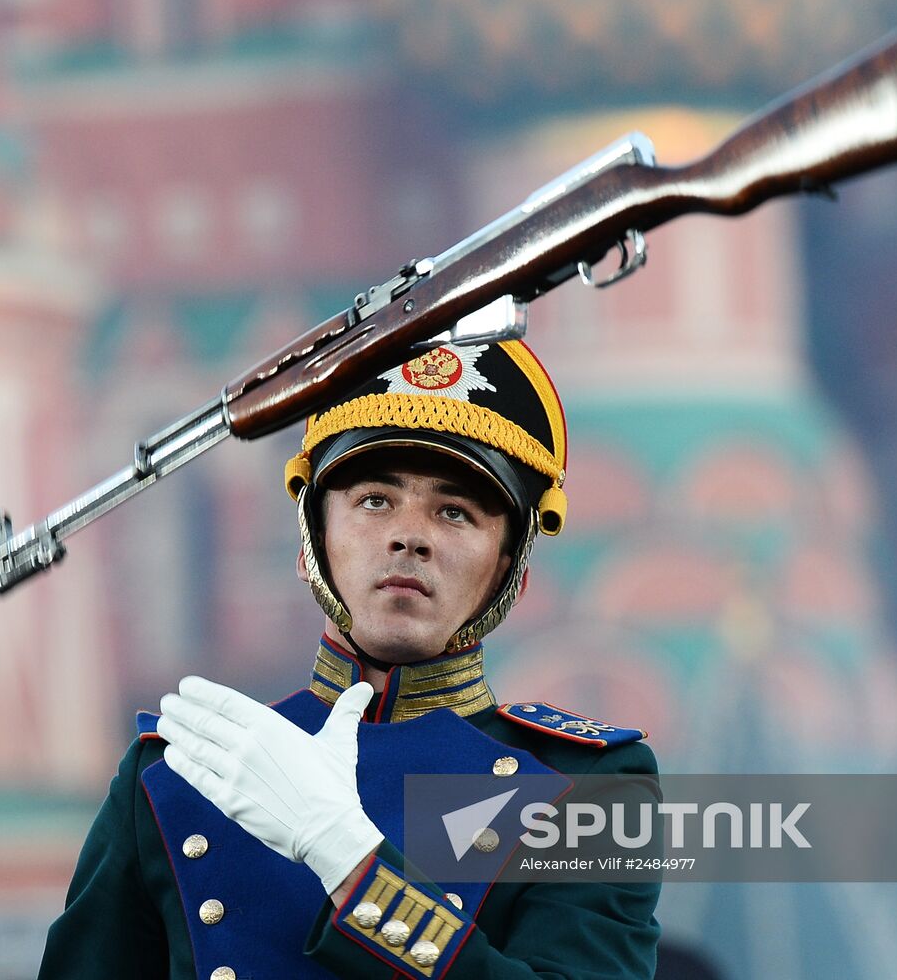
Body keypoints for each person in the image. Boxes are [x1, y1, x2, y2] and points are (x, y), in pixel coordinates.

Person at [39, 340, 660, 979]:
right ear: (310, 547)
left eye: (455, 511)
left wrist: (348, 855)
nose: (409, 535)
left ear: (511, 580)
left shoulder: (587, 783)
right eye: (373, 500)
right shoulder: (176, 775)